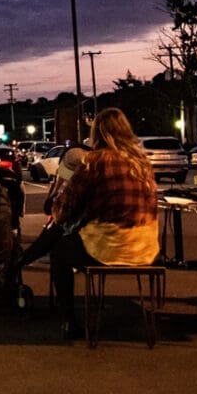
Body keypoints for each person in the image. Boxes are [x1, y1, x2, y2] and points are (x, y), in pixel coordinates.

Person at [48, 108, 159, 340]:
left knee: (59, 250)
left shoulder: (95, 161)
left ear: (98, 133)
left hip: (108, 248)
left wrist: (57, 205)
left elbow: (64, 208)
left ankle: (68, 320)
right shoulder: (142, 162)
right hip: (145, 249)